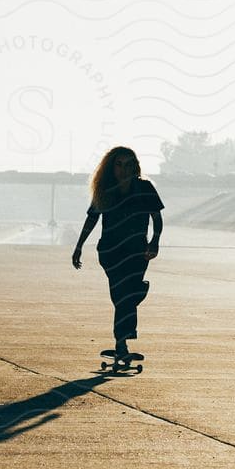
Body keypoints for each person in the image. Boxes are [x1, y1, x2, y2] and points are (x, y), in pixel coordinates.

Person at [72, 147, 164, 359]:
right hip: (110, 251)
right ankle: (122, 342)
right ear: (111, 167)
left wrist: (155, 241)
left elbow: (156, 218)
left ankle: (121, 343)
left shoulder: (145, 188)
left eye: (129, 164)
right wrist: (79, 246)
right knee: (123, 293)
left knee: (125, 295)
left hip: (137, 251)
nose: (124, 169)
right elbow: (92, 218)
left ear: (135, 166)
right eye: (119, 164)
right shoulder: (105, 189)